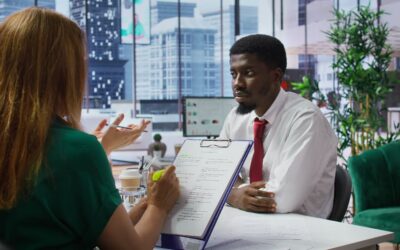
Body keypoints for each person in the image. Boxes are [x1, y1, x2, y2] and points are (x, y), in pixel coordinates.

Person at [0, 7, 180, 249]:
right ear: (62, 74)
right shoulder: (77, 150)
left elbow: (68, 227)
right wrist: (160, 206)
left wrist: (142, 209)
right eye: (81, 64)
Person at [220, 34, 337, 218]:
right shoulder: (236, 118)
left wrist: (232, 192)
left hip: (300, 230)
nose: (237, 83)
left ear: (275, 76)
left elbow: (280, 199)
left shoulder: (305, 119)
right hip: (250, 221)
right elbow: (217, 172)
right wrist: (234, 194)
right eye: (234, 74)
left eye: (248, 73)